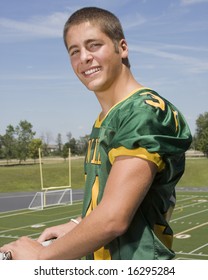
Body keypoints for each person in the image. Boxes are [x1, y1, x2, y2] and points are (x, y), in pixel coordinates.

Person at [0, 7, 192, 260]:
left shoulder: (142, 112)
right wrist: (77, 225)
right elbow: (115, 200)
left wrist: (39, 258)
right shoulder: (109, 116)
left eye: (94, 45)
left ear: (121, 47)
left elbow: (113, 218)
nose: (84, 58)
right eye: (75, 51)